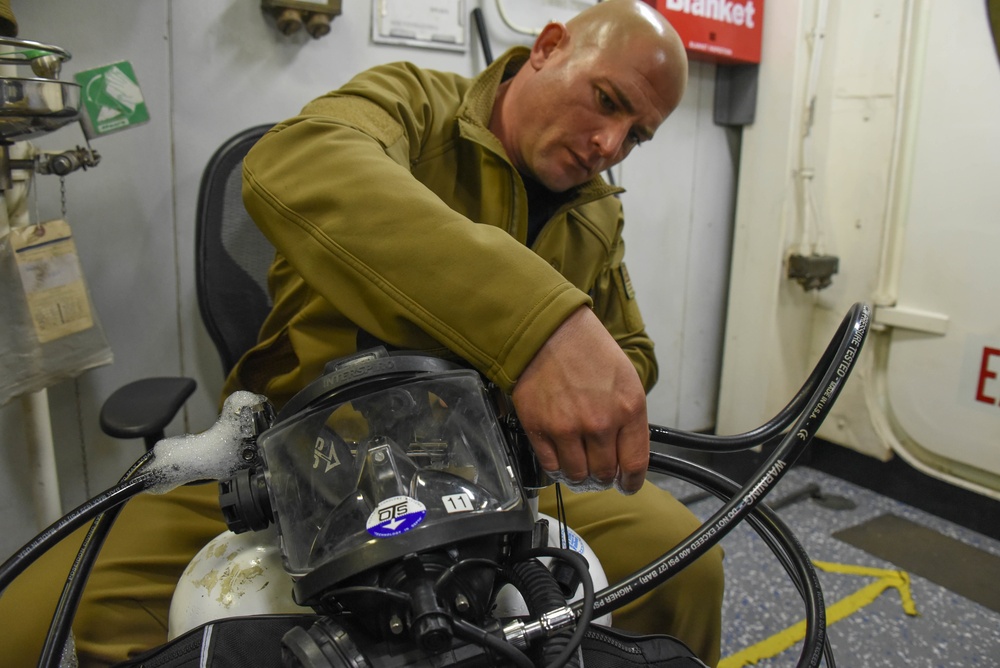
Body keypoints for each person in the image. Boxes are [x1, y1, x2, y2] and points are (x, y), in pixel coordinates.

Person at [0, 1, 724, 666]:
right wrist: (537, 327)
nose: (609, 143)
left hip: (489, 469)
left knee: (686, 556)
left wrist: (584, 377)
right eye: (607, 100)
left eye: (638, 136)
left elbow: (625, 353)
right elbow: (296, 162)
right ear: (549, 47)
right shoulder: (412, 105)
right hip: (305, 454)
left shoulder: (595, 209)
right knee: (41, 617)